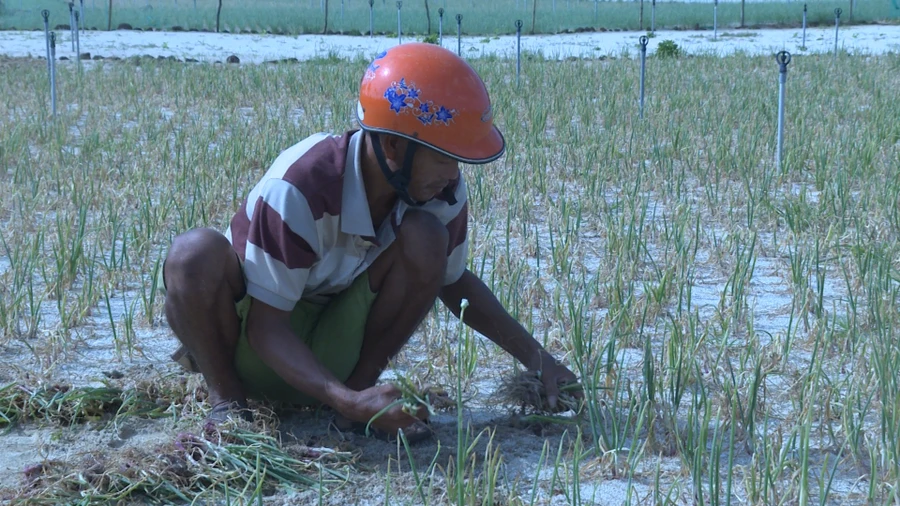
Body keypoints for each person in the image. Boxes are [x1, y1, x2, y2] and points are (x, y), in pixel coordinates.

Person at [162, 42, 580, 443]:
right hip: (252, 346)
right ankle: (229, 405)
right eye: (443, 156)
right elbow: (266, 327)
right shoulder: (300, 187)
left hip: (332, 349)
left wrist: (536, 358)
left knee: (427, 237)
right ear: (394, 146)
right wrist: (343, 398)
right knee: (192, 254)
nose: (453, 174)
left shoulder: (440, 190)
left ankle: (359, 394)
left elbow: (454, 282)